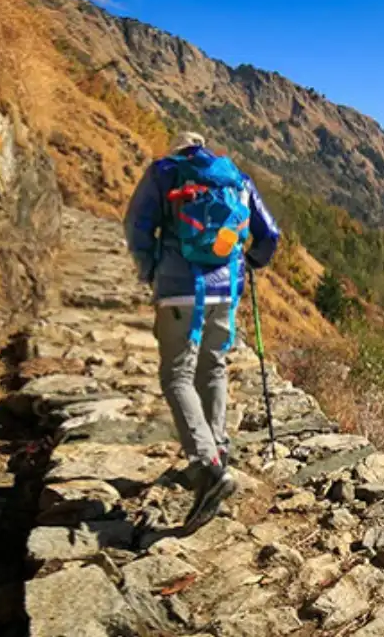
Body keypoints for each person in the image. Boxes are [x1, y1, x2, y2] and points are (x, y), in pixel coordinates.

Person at [123, 130, 281, 531]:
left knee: (176, 375)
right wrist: (250, 264)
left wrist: (150, 270)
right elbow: (270, 234)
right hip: (225, 290)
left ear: (178, 150)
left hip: (179, 289)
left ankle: (207, 468)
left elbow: (137, 224)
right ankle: (218, 450)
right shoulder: (235, 179)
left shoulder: (164, 172)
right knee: (212, 368)